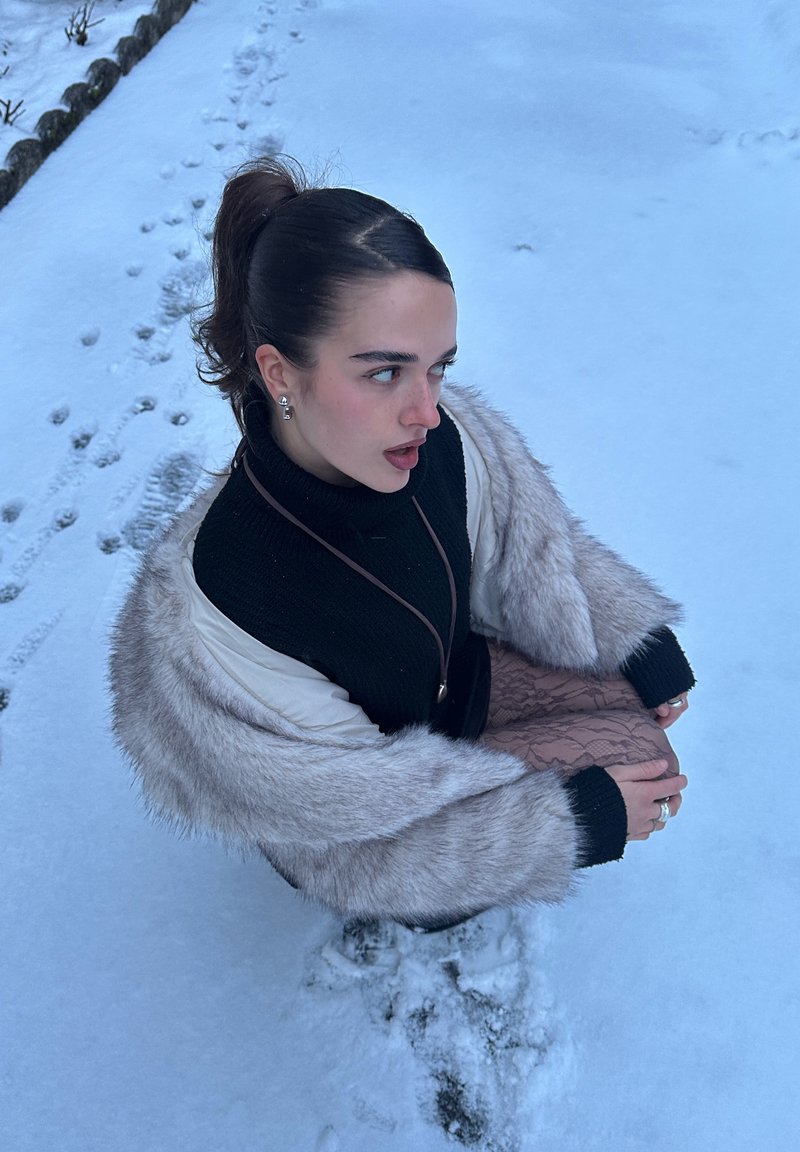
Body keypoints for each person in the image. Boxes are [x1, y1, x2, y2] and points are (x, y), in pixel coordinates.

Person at [110, 157, 694, 931]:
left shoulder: (444, 442)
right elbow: (359, 852)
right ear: (279, 372)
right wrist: (573, 823)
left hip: (451, 690)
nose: (426, 411)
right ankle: (438, 907)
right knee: (628, 773)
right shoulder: (225, 605)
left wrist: (637, 643)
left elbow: (533, 556)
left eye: (437, 369)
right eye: (385, 373)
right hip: (364, 813)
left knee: (645, 738)